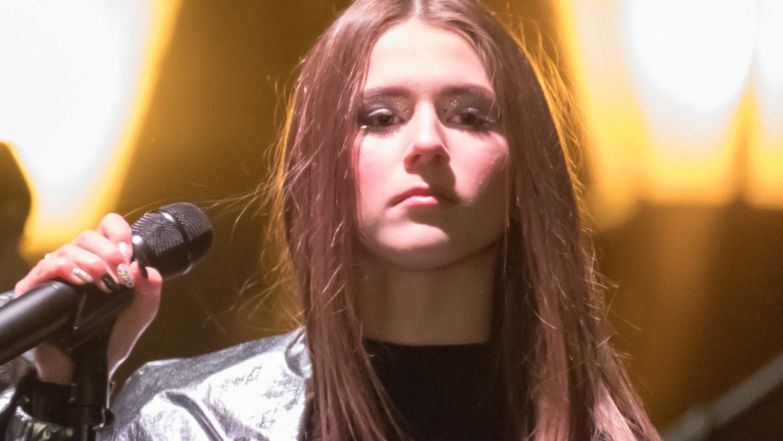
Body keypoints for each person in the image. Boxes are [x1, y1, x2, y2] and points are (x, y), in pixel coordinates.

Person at [1, 0, 661, 439]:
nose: (427, 143)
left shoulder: (601, 431)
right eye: (380, 117)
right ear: (318, 166)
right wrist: (56, 395)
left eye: (469, 116)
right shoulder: (195, 420)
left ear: (526, 171)